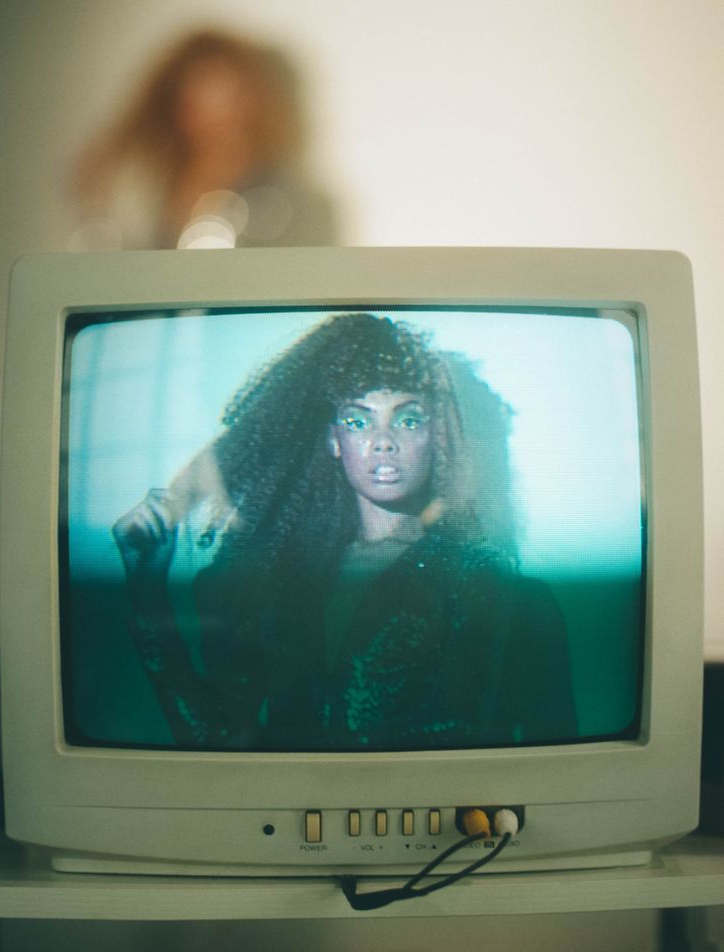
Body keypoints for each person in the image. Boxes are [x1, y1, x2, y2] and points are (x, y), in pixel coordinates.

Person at [113, 313, 577, 751]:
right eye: (358, 420)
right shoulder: (278, 586)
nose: (382, 440)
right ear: (334, 440)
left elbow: (554, 775)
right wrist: (146, 590)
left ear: (436, 436)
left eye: (407, 418)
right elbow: (216, 741)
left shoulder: (502, 596)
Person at [69, 29, 338, 250]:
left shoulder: (294, 201)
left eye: (227, 100)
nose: (212, 122)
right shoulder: (137, 193)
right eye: (194, 102)